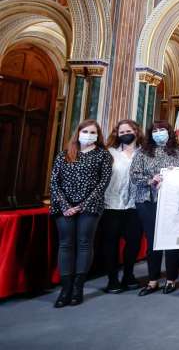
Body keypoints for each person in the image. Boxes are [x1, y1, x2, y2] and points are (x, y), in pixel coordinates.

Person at [50, 119, 113, 308]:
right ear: (78, 133)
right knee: (65, 244)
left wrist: (82, 205)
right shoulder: (64, 154)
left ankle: (78, 288)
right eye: (85, 131)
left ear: (98, 135)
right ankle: (65, 289)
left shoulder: (103, 155)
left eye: (93, 132)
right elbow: (54, 182)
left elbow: (103, 183)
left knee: (84, 243)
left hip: (90, 206)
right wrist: (65, 205)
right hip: (63, 207)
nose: (88, 135)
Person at [130, 120, 179, 296]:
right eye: (155, 131)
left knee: (173, 240)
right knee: (153, 241)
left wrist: (176, 176)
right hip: (147, 200)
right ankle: (153, 280)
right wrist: (151, 180)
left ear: (169, 132)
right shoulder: (142, 152)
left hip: (174, 201)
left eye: (162, 130)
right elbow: (134, 175)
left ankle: (171, 279)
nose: (158, 133)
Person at [101, 119, 144, 294]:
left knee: (133, 242)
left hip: (134, 204)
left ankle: (128, 275)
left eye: (128, 131)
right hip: (111, 204)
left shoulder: (144, 152)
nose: (125, 134)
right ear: (117, 135)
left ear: (136, 132)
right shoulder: (109, 153)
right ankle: (112, 279)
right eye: (122, 132)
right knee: (110, 243)